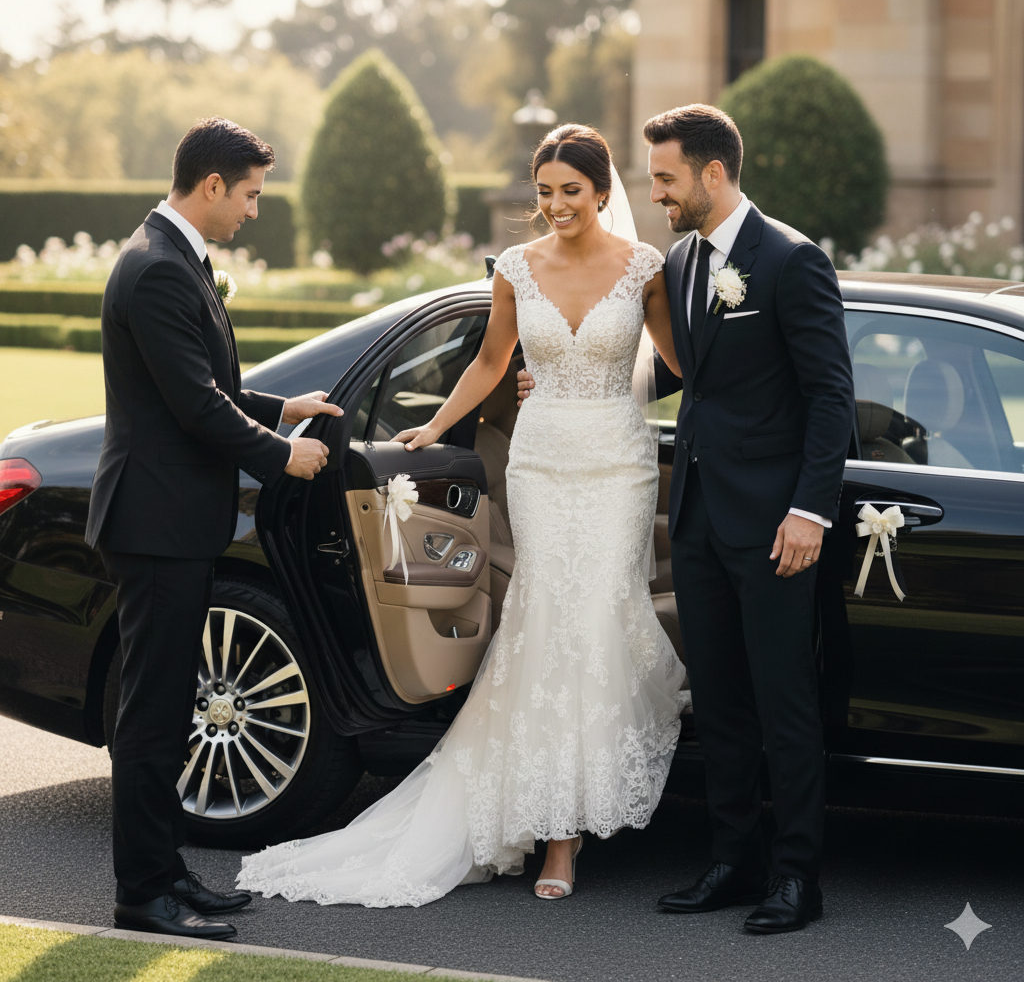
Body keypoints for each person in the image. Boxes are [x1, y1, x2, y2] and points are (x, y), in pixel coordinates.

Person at [235, 123, 688, 907]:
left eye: (570, 192)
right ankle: (557, 837)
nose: (554, 207)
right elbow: (489, 360)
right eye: (543, 193)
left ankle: (579, 807)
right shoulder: (517, 268)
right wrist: (436, 430)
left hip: (619, 462)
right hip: (543, 464)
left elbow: (680, 364)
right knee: (551, 623)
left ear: (603, 193)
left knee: (600, 622)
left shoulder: (646, 268)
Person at [520, 104, 854, 932]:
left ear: (712, 174)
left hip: (778, 525)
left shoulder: (792, 261)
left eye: (666, 178)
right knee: (723, 704)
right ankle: (733, 863)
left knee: (785, 704)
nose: (656, 193)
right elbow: (690, 374)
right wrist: (563, 383)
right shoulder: (683, 260)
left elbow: (829, 398)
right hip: (698, 519)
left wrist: (809, 509)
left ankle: (796, 877)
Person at [85, 117, 342, 940]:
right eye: (252, 194)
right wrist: (282, 455)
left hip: (172, 523)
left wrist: (280, 406)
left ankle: (167, 874)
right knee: (155, 719)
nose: (255, 211)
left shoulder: (172, 259)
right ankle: (143, 895)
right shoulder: (158, 270)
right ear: (211, 188)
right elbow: (194, 406)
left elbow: (202, 380)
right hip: (156, 524)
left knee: (167, 712)